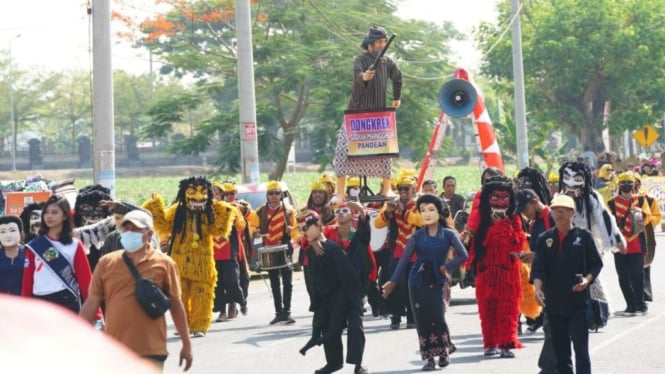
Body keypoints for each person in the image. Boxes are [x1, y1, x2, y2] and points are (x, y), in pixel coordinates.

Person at [80, 210, 193, 372]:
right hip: (115, 349)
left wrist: (186, 344)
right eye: (126, 229)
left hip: (151, 348)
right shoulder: (107, 263)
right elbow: (92, 301)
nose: (129, 233)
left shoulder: (164, 264)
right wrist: (75, 334)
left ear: (149, 234)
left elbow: (176, 304)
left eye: (135, 229)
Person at [383, 194, 468, 371]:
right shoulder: (417, 236)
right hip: (417, 280)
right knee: (422, 320)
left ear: (439, 212)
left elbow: (463, 255)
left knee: (437, 316)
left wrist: (447, 267)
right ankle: (429, 358)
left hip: (438, 281)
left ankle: (443, 351)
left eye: (431, 209)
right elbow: (404, 260)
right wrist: (392, 282)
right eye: (422, 210)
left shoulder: (449, 234)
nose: (427, 214)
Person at [532, 195, 603, 374]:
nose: (559, 213)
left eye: (563, 210)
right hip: (554, 304)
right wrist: (538, 290)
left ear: (572, 213)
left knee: (581, 350)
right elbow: (538, 269)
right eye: (555, 209)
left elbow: (596, 264)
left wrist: (586, 281)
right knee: (561, 353)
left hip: (578, 303)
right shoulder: (544, 239)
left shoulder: (583, 237)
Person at [334, 25, 403, 202]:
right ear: (370, 44)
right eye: (378, 42)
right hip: (356, 114)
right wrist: (364, 77)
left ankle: (386, 189)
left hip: (379, 115)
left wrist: (397, 97)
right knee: (342, 151)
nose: (381, 45)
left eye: (383, 42)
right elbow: (358, 76)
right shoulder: (360, 59)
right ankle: (340, 193)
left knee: (386, 152)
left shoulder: (387, 62)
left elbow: (397, 77)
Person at [299, 212, 366, 374]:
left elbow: (347, 275)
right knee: (326, 327)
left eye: (308, 227)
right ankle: (334, 363)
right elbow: (313, 280)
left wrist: (355, 298)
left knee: (355, 328)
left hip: (346, 294)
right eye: (303, 229)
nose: (305, 231)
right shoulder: (310, 252)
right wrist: (317, 302)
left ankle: (358, 364)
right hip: (326, 296)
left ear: (318, 227)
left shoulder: (334, 248)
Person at [466, 177, 526, 358]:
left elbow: (517, 245)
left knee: (508, 309)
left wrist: (503, 225)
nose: (500, 202)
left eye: (504, 198)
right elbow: (471, 243)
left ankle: (506, 344)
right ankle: (490, 343)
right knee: (487, 309)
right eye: (495, 198)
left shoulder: (514, 219)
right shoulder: (480, 221)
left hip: (507, 273)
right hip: (485, 272)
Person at [22, 195, 95, 314]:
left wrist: (96, 314)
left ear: (65, 215)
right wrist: (25, 308)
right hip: (39, 302)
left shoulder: (74, 245)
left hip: (65, 301)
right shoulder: (35, 246)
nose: (49, 216)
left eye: (54, 212)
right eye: (46, 212)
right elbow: (27, 281)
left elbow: (86, 281)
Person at [514, 189, 557, 373]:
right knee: (551, 326)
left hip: (557, 280)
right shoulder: (535, 222)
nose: (524, 214)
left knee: (553, 326)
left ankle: (548, 367)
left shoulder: (553, 217)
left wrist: (535, 255)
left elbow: (560, 248)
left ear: (533, 202)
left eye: (525, 209)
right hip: (544, 280)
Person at [374, 175, 423, 329]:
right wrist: (388, 212)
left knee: (412, 284)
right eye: (400, 188)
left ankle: (412, 317)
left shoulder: (418, 205)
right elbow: (377, 224)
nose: (403, 192)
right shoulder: (392, 205)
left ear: (412, 190)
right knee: (395, 284)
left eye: (406, 189)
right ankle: (395, 317)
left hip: (415, 251)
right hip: (398, 251)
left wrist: (403, 212)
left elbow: (420, 221)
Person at [255, 180, 299, 325]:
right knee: (274, 283)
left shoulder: (288, 210)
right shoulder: (261, 211)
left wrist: (290, 230)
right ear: (267, 196)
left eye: (276, 193)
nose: (274, 196)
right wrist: (255, 232)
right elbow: (254, 228)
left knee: (287, 282)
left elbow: (296, 230)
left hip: (284, 247)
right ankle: (278, 312)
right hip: (269, 249)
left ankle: (287, 312)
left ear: (281, 195)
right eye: (271, 193)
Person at [607, 172, 651, 315]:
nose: (626, 186)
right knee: (623, 277)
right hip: (619, 244)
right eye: (623, 183)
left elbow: (648, 218)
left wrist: (638, 217)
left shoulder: (641, 200)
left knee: (637, 275)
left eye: (629, 183)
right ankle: (630, 304)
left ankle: (640, 303)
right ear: (619, 185)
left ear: (634, 185)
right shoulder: (611, 202)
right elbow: (608, 222)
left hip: (637, 243)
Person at [211, 181, 247, 322]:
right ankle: (221, 310)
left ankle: (234, 302)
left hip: (228, 249)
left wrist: (235, 216)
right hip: (211, 250)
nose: (215, 193)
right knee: (217, 282)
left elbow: (242, 226)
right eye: (212, 191)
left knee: (231, 280)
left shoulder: (231, 208)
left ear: (222, 194)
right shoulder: (205, 210)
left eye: (217, 191)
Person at [0, 216, 25, 295]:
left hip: (25, 301)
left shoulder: (29, 253)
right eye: (3, 232)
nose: (8, 235)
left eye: (12, 230)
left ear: (20, 232)